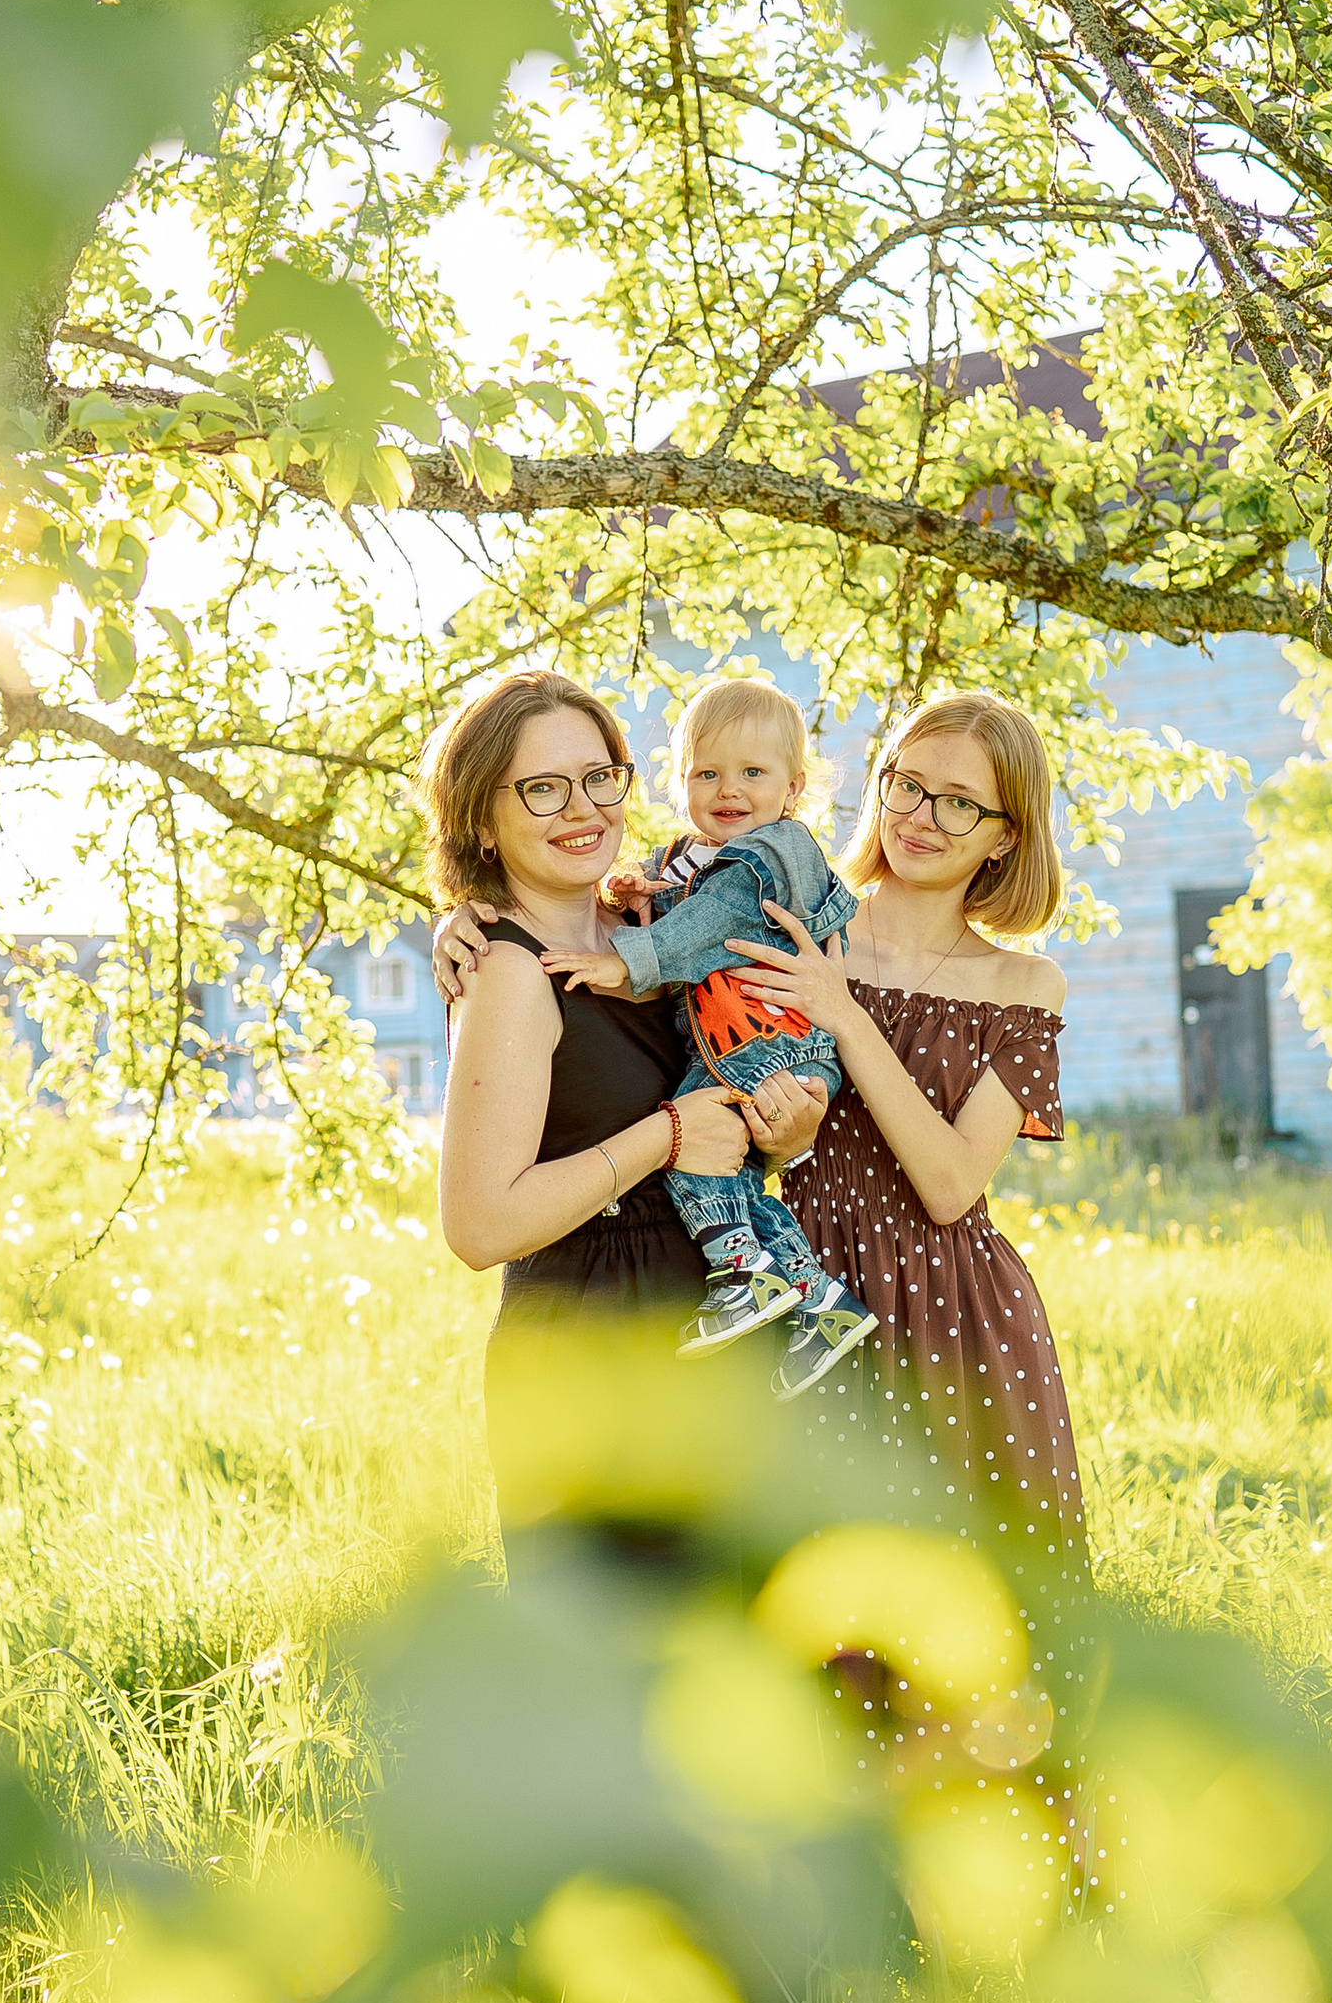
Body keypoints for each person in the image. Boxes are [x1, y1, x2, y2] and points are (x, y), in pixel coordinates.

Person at [438, 690, 1094, 1764]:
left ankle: (969, 1890)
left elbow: (875, 1159)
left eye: (959, 803)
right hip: (711, 1313)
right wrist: (466, 919)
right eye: (906, 786)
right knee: (727, 1654)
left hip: (846, 1313)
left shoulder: (693, 927)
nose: (923, 815)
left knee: (922, 1620)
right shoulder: (713, 918)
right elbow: (658, 1089)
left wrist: (791, 1104)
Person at [425, 670, 807, 1508]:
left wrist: (786, 1126)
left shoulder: (646, 928)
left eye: (601, 778)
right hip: (591, 1359)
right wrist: (667, 1136)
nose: (583, 809)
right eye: (542, 789)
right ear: (481, 819)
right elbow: (480, 1226)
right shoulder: (506, 971)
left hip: (703, 1331)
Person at [537, 678, 879, 1396]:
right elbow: (670, 905)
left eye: (753, 773)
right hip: (741, 1039)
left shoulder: (774, 852)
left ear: (793, 788)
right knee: (737, 1179)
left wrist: (621, 960)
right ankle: (821, 1304)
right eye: (706, 773)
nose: (729, 789)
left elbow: (704, 924)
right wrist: (635, 899)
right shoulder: (691, 856)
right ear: (679, 780)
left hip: (773, 1038)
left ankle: (739, 1278)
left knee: (692, 1156)